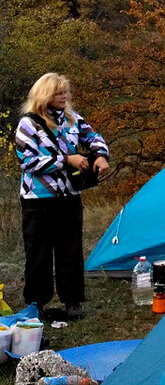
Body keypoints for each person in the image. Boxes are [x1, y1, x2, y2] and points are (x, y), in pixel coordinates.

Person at [16, 72, 110, 321]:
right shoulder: (28, 124)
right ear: (45, 95)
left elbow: (94, 137)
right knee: (38, 251)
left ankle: (72, 301)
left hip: (69, 195)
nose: (65, 96)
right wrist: (66, 160)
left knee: (70, 250)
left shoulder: (73, 120)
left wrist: (100, 155)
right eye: (59, 93)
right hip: (38, 199)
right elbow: (27, 161)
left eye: (66, 92)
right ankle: (36, 302)